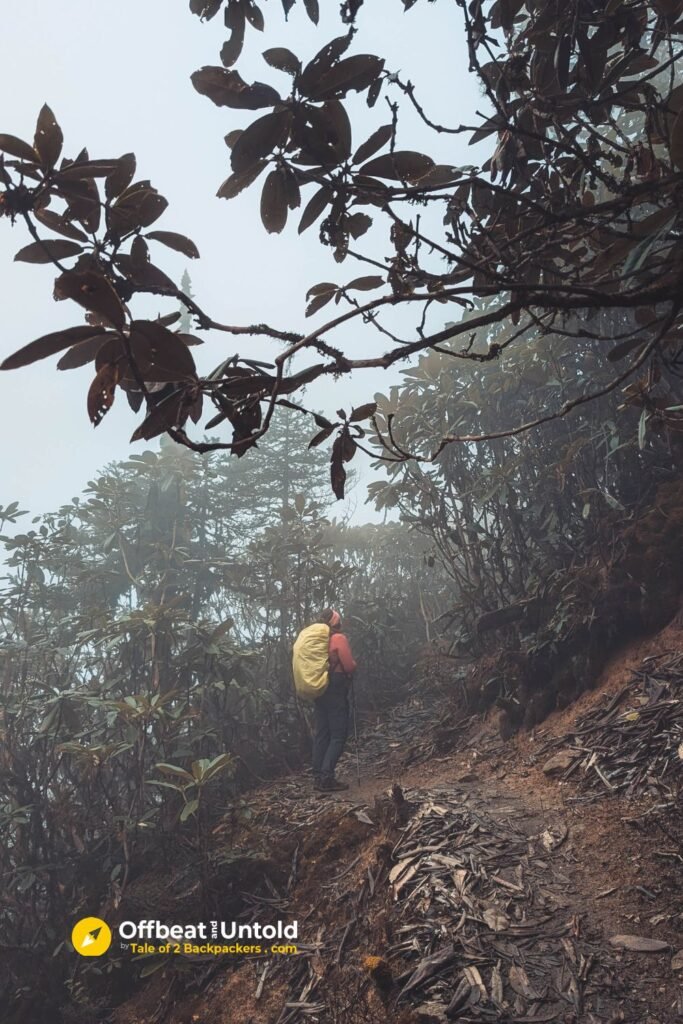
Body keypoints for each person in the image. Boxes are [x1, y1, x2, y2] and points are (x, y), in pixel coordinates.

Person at [312, 608, 357, 792]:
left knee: (322, 733)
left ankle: (317, 776)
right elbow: (348, 665)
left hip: (320, 688)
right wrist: (355, 665)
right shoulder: (338, 639)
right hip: (336, 689)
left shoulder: (317, 642)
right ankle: (327, 778)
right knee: (338, 735)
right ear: (336, 623)